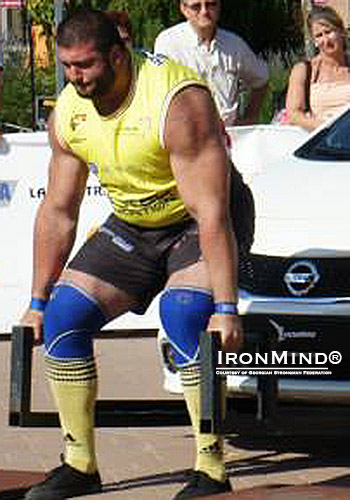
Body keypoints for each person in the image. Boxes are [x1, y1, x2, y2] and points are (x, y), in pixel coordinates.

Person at [21, 8, 245, 500]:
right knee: (64, 313)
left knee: (185, 312)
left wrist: (226, 309)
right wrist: (37, 299)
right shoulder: (71, 112)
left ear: (117, 56)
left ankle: (210, 468)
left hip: (201, 218)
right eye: (67, 67)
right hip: (135, 223)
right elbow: (59, 211)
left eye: (85, 66)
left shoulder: (176, 101)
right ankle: (79, 464)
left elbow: (211, 214)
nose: (74, 77)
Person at [154, 0, 268, 127]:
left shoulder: (234, 44)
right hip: (188, 137)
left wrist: (250, 117)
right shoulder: (169, 43)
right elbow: (159, 95)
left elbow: (261, 79)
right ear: (184, 9)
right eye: (196, 7)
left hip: (230, 137)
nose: (204, 12)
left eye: (210, 4)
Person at [285, 5, 350, 131]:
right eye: (319, 35)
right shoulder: (304, 70)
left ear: (341, 32)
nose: (325, 40)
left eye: (329, 32)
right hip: (321, 141)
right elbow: (294, 114)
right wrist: (327, 129)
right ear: (314, 41)